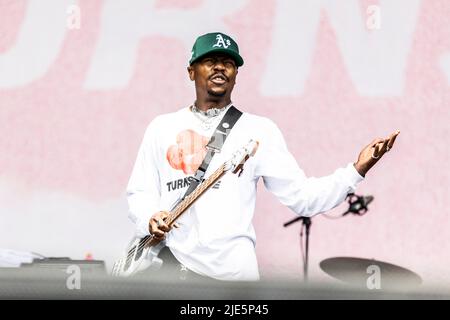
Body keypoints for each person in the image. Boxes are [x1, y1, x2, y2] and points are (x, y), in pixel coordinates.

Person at [126, 32, 399, 281]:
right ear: (190, 71)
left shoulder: (259, 130)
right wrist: (150, 217)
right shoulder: (161, 127)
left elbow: (304, 198)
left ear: (236, 74)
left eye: (228, 62)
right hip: (174, 268)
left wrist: (356, 169)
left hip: (233, 277)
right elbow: (140, 192)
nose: (220, 66)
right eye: (210, 60)